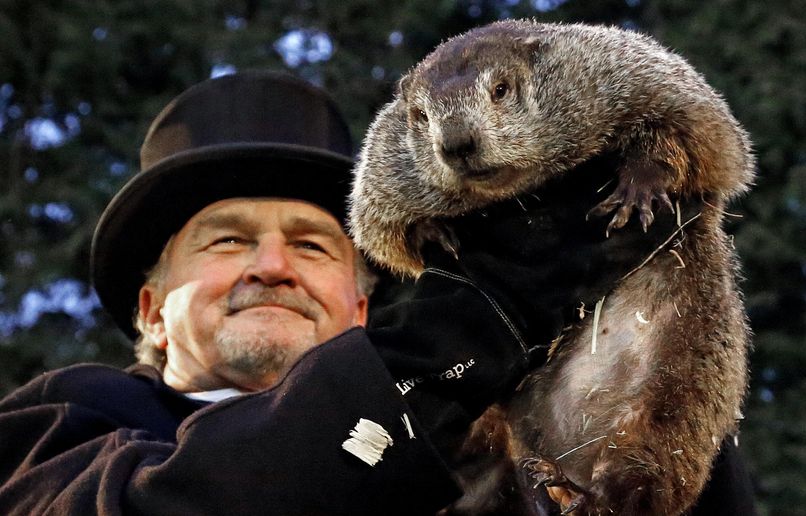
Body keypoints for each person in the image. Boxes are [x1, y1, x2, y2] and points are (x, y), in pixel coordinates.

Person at [0, 71, 754, 515]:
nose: (272, 266)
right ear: (150, 312)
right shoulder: (61, 425)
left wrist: (636, 354)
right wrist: (456, 343)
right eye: (226, 240)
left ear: (360, 306)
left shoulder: (489, 436)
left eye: (311, 244)